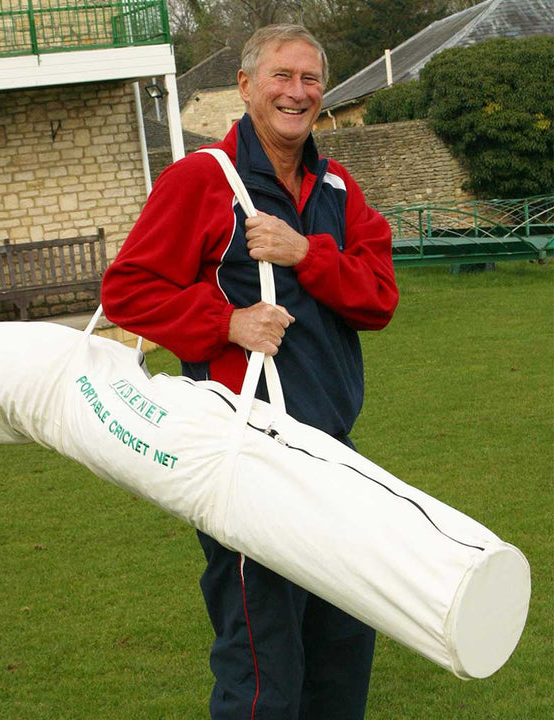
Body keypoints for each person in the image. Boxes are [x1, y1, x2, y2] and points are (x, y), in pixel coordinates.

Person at [101, 23, 399, 720]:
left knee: (343, 634)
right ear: (245, 86)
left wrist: (307, 254)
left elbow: (379, 298)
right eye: (282, 76)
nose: (298, 93)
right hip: (245, 452)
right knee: (263, 654)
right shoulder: (203, 181)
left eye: (311, 80)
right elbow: (128, 291)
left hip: (330, 449)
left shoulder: (336, 185)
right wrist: (226, 322)